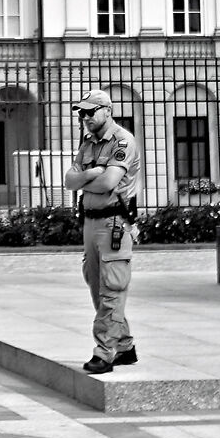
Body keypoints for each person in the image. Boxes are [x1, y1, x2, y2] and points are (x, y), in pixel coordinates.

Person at [66, 88, 142, 374]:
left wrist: (85, 180)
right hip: (90, 222)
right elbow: (69, 180)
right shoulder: (88, 144)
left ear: (107, 111)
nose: (84, 117)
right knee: (97, 287)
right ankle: (124, 346)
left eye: (89, 111)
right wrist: (88, 176)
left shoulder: (123, 141)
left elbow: (110, 181)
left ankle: (104, 351)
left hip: (113, 224)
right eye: (81, 112)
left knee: (112, 289)